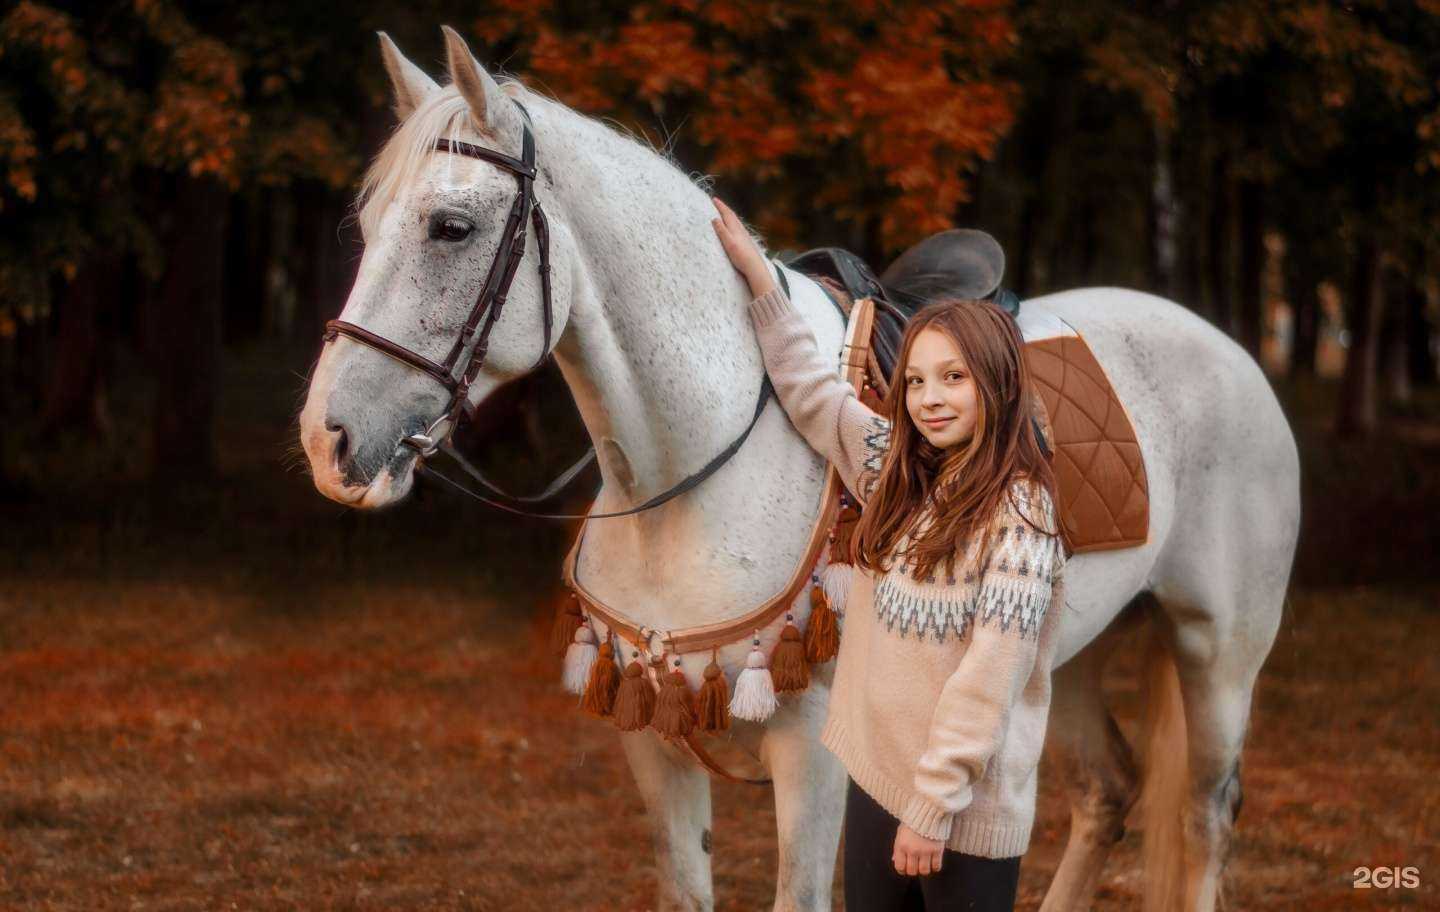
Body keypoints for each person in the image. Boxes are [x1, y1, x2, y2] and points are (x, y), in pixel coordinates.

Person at [711, 197, 1066, 911]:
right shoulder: (895, 475)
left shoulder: (1019, 515)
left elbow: (988, 680)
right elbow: (813, 396)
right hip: (875, 781)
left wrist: (931, 810)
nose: (930, 399)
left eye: (954, 378)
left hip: (960, 812)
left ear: (996, 383)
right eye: (916, 381)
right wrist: (760, 281)